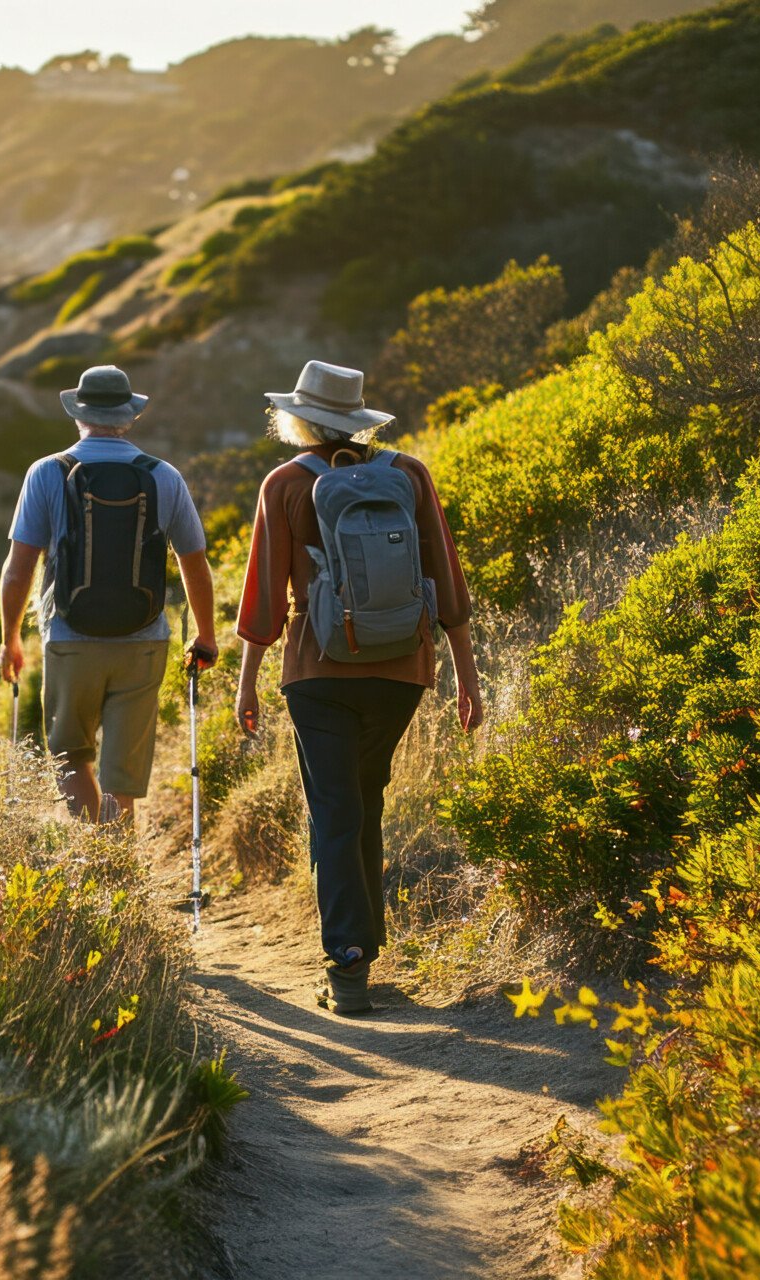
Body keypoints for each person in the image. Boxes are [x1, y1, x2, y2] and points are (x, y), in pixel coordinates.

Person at [233, 360, 481, 1015]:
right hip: (404, 670)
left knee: (337, 812)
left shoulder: (285, 484)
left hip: (319, 674)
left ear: (298, 418)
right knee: (363, 801)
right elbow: (447, 581)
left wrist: (248, 684)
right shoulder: (408, 474)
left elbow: (264, 599)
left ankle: (348, 965)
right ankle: (362, 948)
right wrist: (467, 676)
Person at [0, 365, 218, 825]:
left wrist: (10, 639)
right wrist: (206, 634)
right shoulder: (164, 476)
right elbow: (193, 561)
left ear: (79, 415)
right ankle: (118, 861)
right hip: (144, 639)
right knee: (121, 774)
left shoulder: (47, 473)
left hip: (70, 636)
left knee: (71, 755)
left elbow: (19, 571)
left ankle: (96, 865)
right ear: (130, 417)